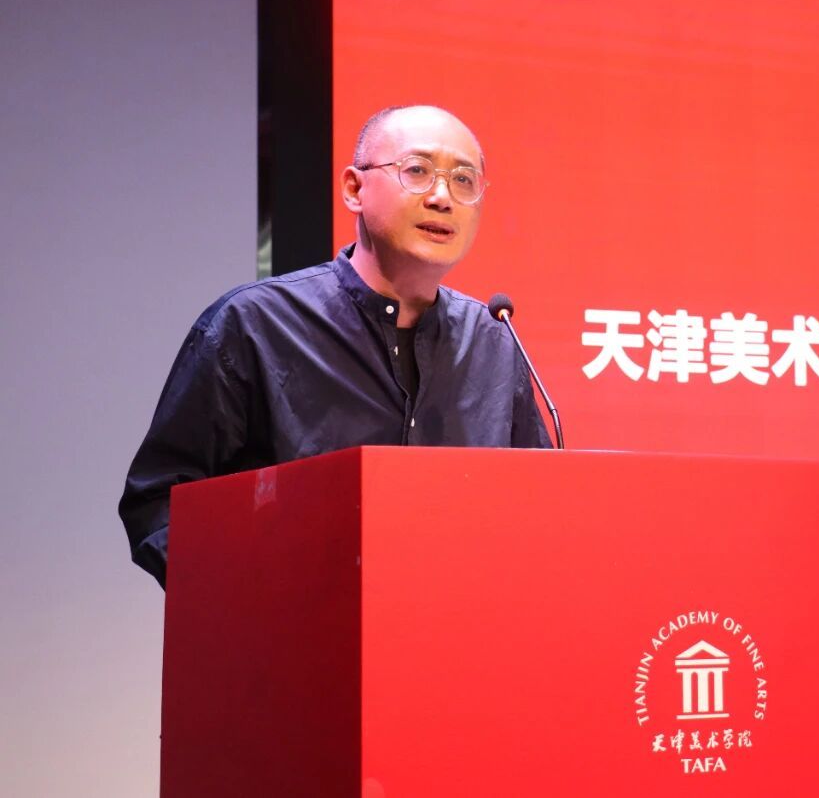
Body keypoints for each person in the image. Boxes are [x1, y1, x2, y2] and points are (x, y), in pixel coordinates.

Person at [119, 105, 551, 589]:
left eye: (464, 180)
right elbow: (160, 503)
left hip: (454, 626)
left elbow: (536, 508)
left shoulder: (494, 341)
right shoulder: (255, 325)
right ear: (353, 188)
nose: (442, 197)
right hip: (291, 627)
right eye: (417, 171)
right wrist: (251, 596)